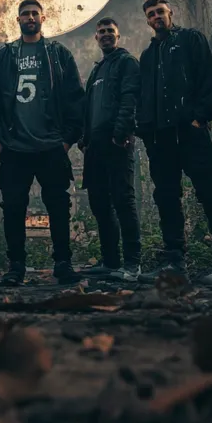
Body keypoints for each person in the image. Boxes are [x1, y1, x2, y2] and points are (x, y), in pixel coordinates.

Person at [0, 0, 85, 286]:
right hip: (14, 147)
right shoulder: (4, 56)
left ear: (43, 18)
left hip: (51, 145)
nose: (30, 17)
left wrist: (68, 139)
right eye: (25, 14)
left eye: (35, 13)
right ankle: (16, 266)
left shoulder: (59, 54)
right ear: (18, 19)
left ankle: (63, 263)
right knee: (13, 207)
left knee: (59, 205)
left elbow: (75, 96)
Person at [137, 0, 212, 286]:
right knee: (167, 198)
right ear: (148, 21)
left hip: (191, 133)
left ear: (171, 13)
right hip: (161, 139)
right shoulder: (148, 55)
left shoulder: (191, 39)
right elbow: (144, 97)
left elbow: (209, 78)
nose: (157, 16)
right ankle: (173, 262)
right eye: (151, 14)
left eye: (160, 11)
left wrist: (200, 118)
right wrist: (146, 131)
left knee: (210, 192)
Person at [82, 17, 141, 282]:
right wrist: (84, 140)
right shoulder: (97, 70)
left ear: (118, 36)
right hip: (94, 147)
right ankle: (110, 261)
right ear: (96, 38)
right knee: (100, 203)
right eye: (101, 32)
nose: (105, 35)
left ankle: (132, 264)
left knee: (123, 201)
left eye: (110, 31)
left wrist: (121, 133)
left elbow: (130, 98)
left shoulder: (127, 63)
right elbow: (89, 108)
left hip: (117, 143)